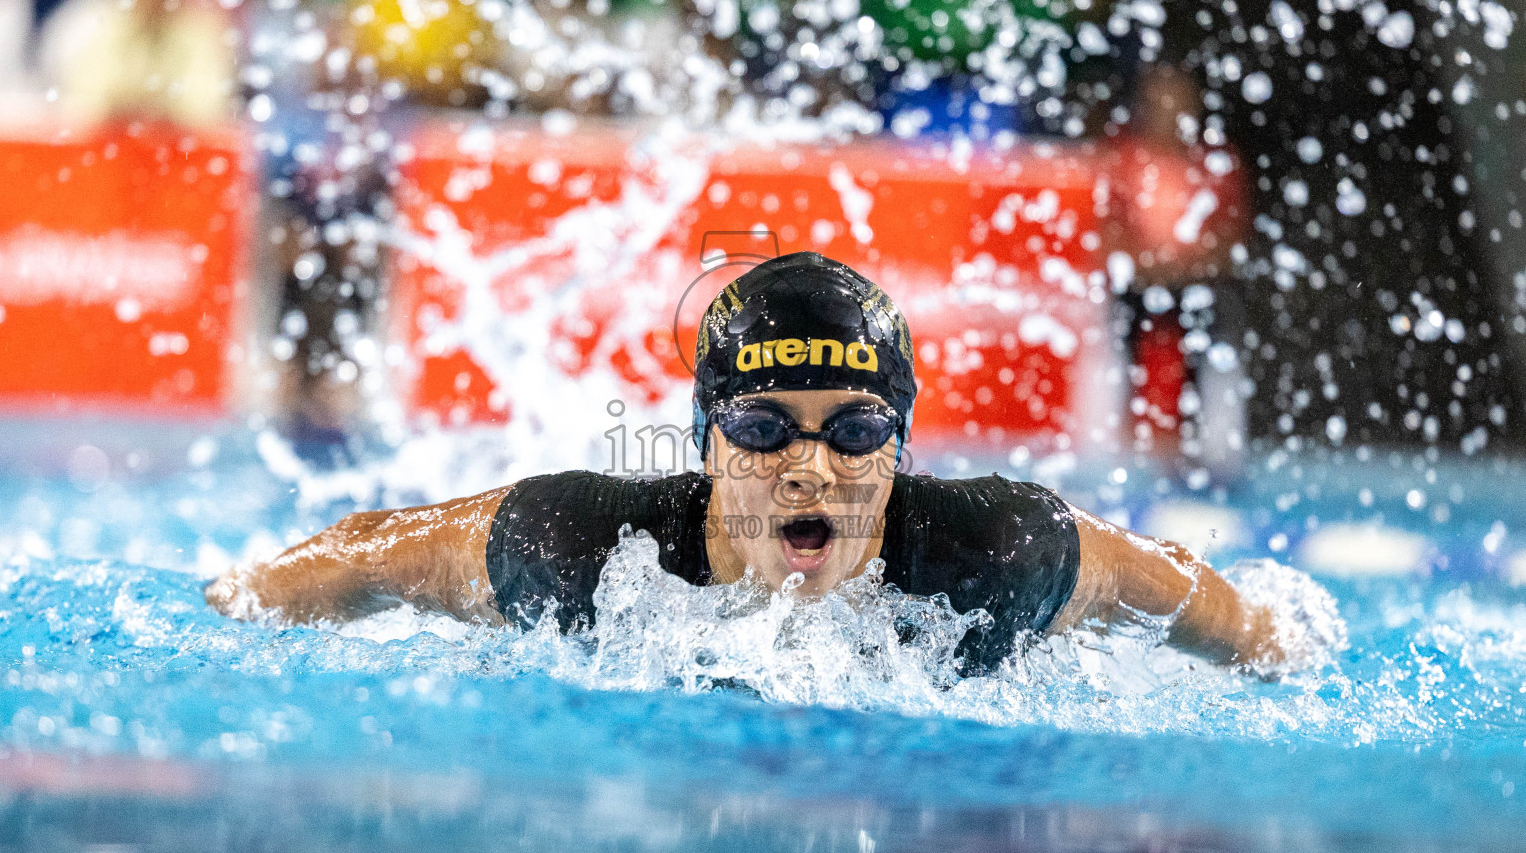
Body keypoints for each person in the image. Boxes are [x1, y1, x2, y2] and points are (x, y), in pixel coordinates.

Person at [208, 252, 1285, 673]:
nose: (810, 468)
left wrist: (1281, 647)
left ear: (901, 446)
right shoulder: (582, 547)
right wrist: (220, 613)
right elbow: (366, 555)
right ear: (709, 441)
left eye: (855, 430)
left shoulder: (996, 551)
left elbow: (1181, 589)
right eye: (765, 428)